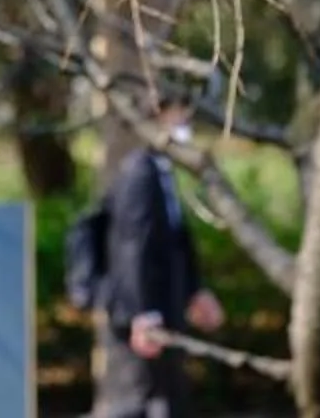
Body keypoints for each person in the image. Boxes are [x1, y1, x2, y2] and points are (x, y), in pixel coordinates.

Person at [95, 95, 227, 418]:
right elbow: (131, 249)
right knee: (140, 399)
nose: (185, 127)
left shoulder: (161, 172)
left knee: (165, 398)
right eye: (178, 118)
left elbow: (174, 242)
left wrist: (195, 290)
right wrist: (143, 313)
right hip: (144, 318)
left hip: (165, 310)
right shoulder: (139, 174)